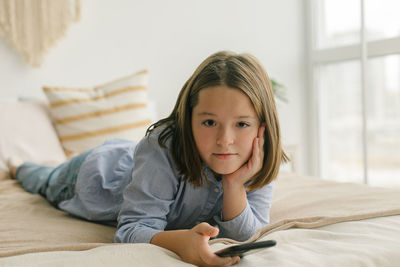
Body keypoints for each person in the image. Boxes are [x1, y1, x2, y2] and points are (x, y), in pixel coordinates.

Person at [8, 51, 288, 267]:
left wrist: (234, 185)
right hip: (92, 175)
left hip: (136, 162)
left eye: (241, 124)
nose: (225, 140)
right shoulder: (163, 148)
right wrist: (179, 242)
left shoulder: (256, 158)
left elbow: (248, 234)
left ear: (262, 128)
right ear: (187, 120)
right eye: (209, 122)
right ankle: (21, 165)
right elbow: (131, 230)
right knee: (42, 179)